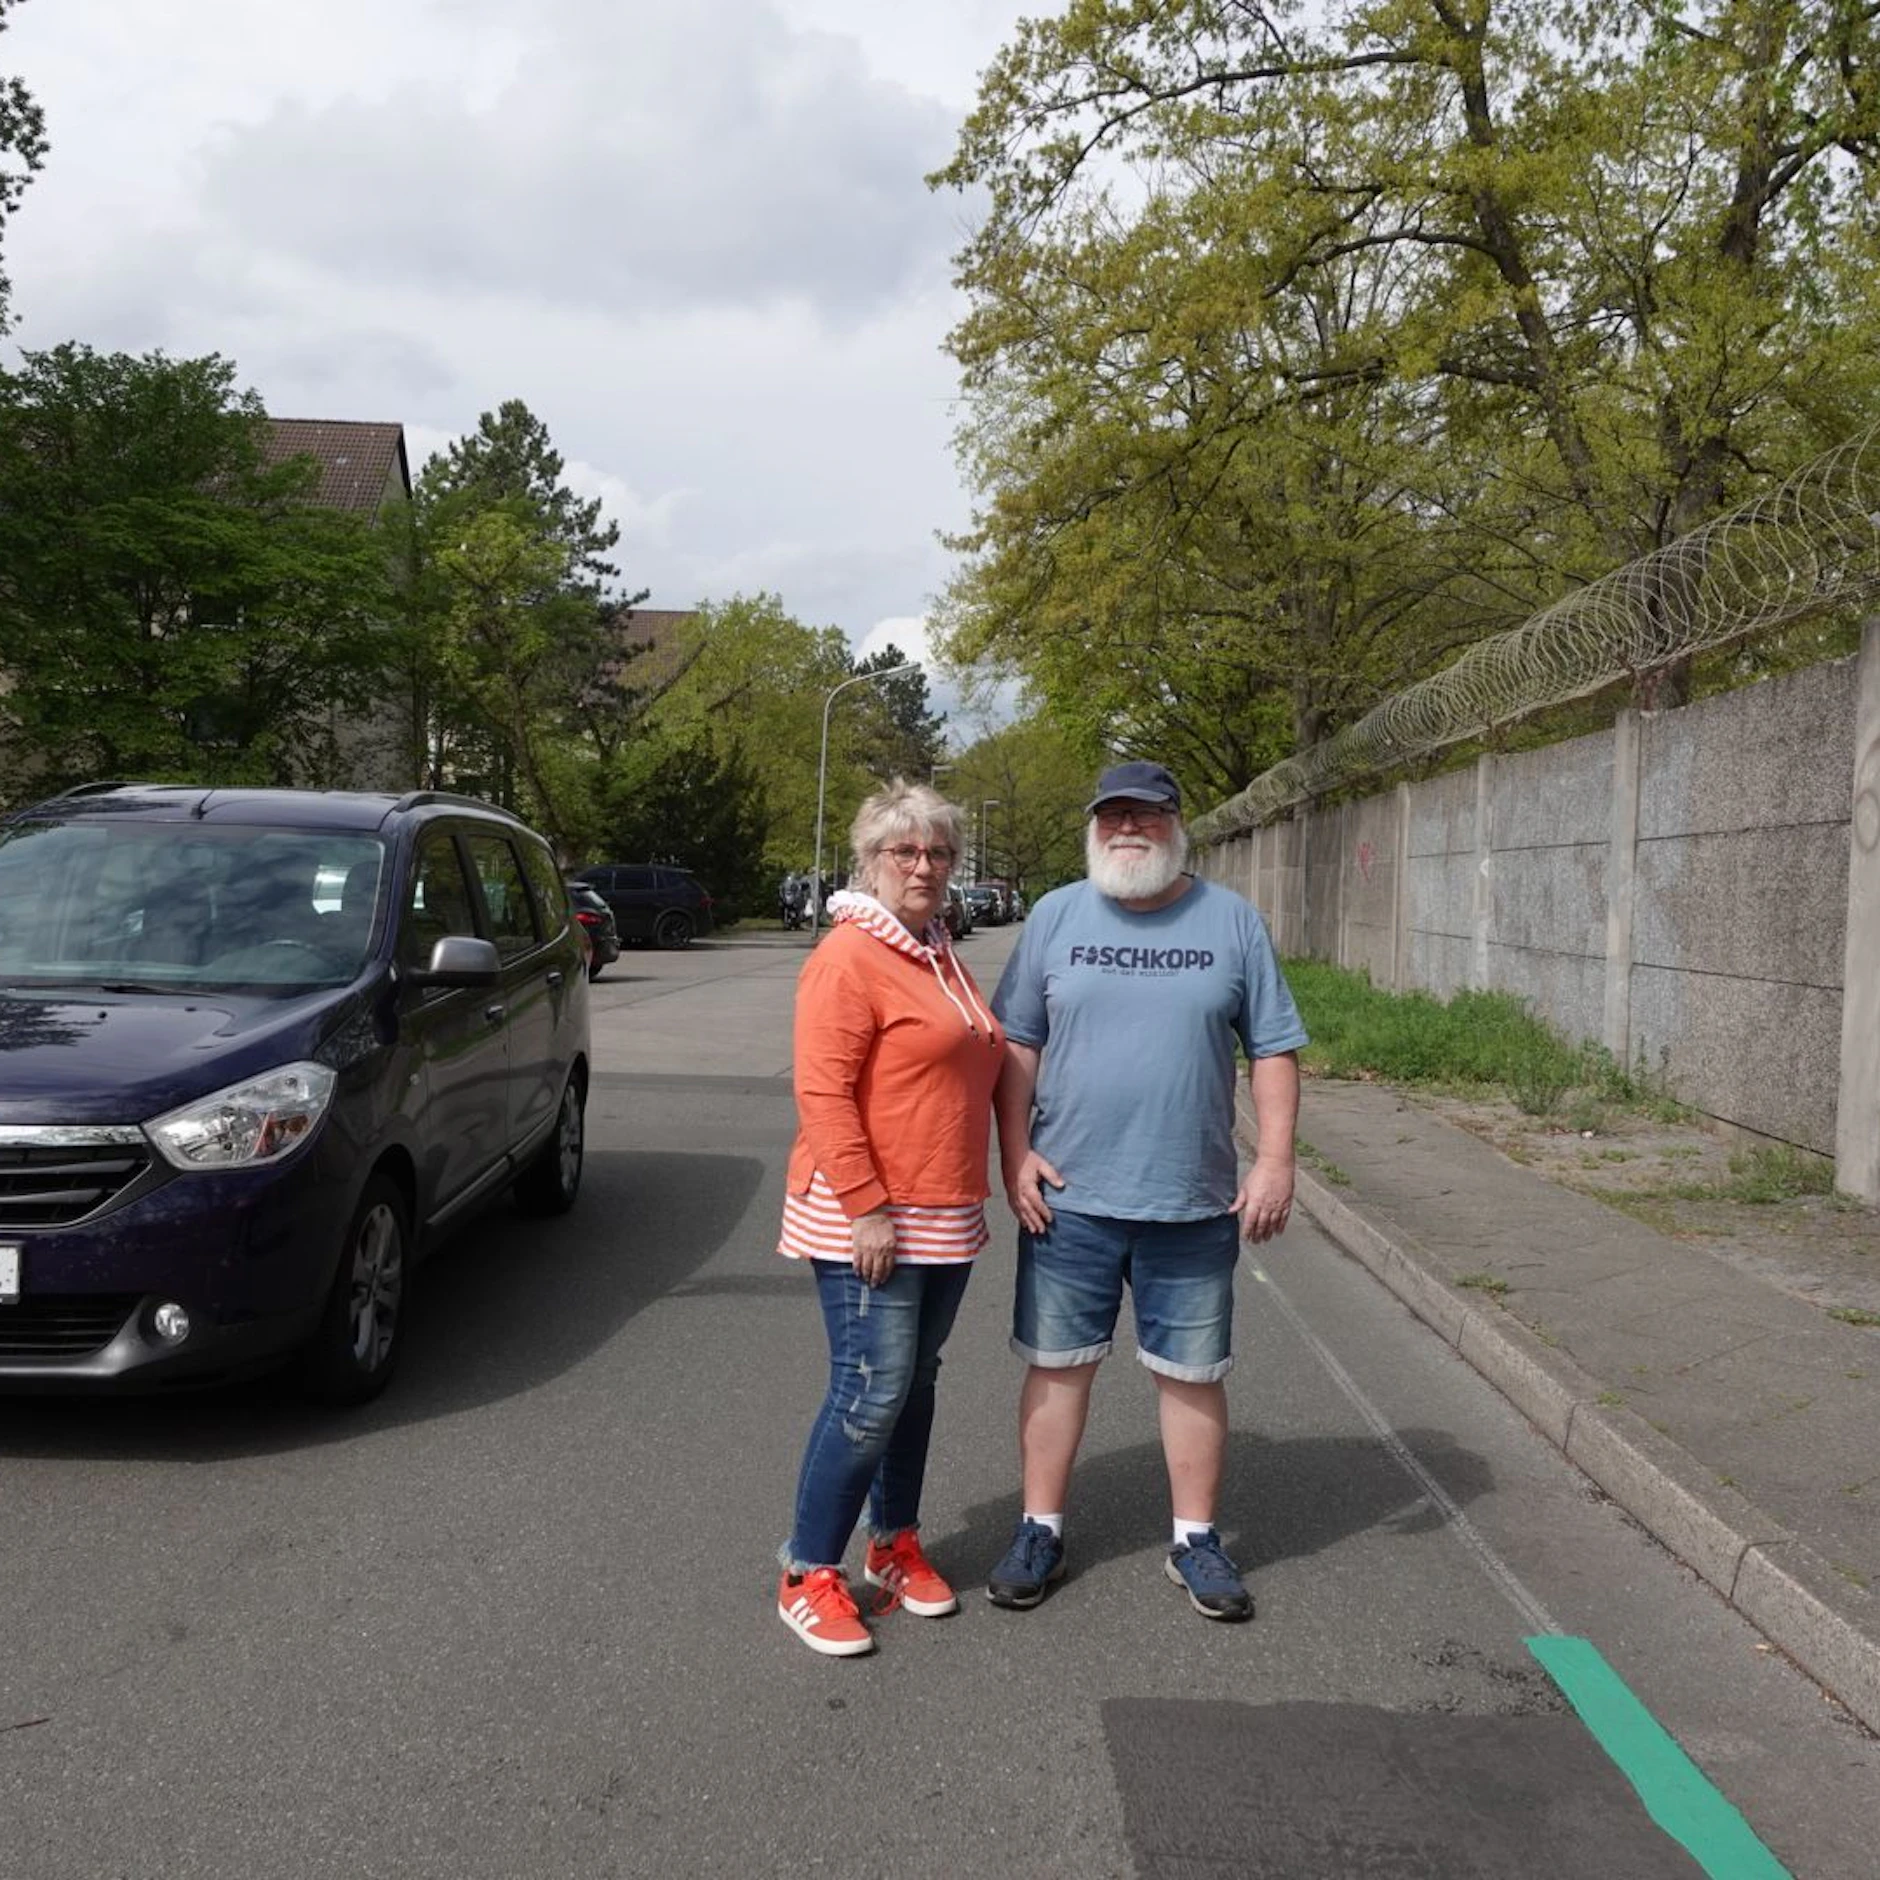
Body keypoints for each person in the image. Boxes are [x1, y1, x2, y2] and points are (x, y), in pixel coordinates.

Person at [984, 759, 1307, 1622]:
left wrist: (1275, 1161)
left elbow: (1272, 1048)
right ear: (1094, 828)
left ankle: (1196, 1542)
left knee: (1192, 1376)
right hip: (1069, 1198)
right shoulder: (1055, 914)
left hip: (1192, 1201)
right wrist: (1013, 1153)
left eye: (1147, 815)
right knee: (1058, 1369)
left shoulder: (1232, 922)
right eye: (1113, 816)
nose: (1129, 829)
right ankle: (1039, 1529)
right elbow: (1017, 1045)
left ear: (1176, 824)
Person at [776, 780, 1006, 1657]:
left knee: (915, 1385)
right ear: (869, 863)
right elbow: (822, 1091)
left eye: (939, 853)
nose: (924, 866)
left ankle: (894, 1544)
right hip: (866, 1216)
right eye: (905, 852)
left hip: (944, 1209)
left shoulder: (938, 949)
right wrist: (868, 1208)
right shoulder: (849, 954)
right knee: (870, 1394)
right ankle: (808, 1571)